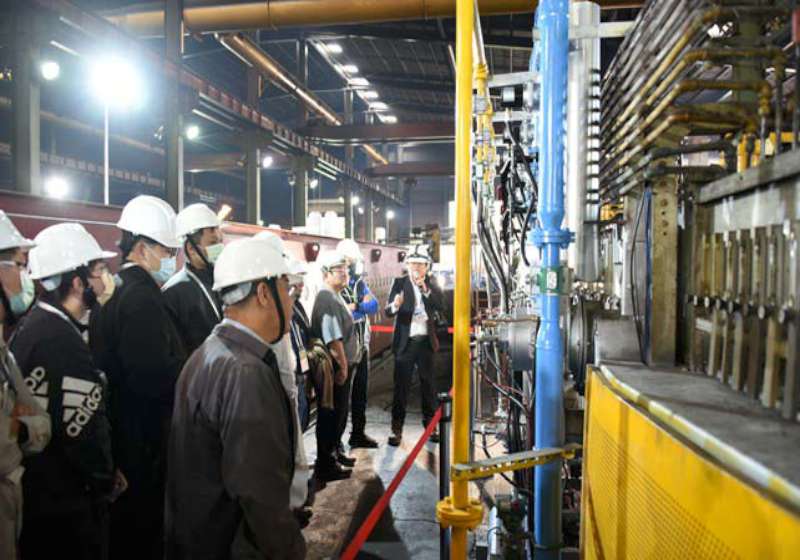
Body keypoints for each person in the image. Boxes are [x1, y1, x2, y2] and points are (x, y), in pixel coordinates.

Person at [165, 237, 306, 559]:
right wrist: (290, 550)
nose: (291, 300)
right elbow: (259, 493)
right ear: (264, 293)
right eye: (287, 288)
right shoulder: (246, 373)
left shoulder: (207, 353)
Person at [11, 223, 119, 559]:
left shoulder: (38, 326)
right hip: (65, 507)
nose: (104, 279)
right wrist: (105, 477)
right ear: (77, 282)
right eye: (98, 270)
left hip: (42, 498)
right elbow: (83, 432)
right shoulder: (60, 341)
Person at [89, 195, 184, 560]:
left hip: (119, 437)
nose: (171, 258)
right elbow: (152, 378)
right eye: (167, 250)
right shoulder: (142, 298)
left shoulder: (115, 290)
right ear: (142, 247)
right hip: (143, 445)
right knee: (143, 534)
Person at [0, 211, 50, 560]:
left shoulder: (5, 353)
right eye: (19, 265)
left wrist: (15, 425)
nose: (26, 276)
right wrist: (18, 428)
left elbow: (39, 421)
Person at [385, 244, 446, 447]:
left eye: (420, 264)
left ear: (427, 267)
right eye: (413, 264)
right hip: (406, 343)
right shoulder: (399, 283)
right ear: (407, 265)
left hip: (426, 342)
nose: (417, 268)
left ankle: (431, 426)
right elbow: (388, 311)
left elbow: (441, 305)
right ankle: (396, 429)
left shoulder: (432, 283)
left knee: (429, 385)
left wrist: (425, 290)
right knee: (401, 387)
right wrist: (395, 305)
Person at [310, 250, 358, 482]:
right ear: (326, 273)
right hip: (336, 369)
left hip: (342, 366)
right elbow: (333, 339)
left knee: (339, 414)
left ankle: (335, 453)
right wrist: (343, 366)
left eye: (346, 269)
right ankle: (326, 464)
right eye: (339, 270)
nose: (345, 273)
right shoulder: (327, 298)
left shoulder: (335, 295)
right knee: (331, 415)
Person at [163, 203, 224, 357]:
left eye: (220, 242)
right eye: (213, 243)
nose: (219, 248)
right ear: (191, 248)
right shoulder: (174, 292)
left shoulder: (222, 282)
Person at [337, 239, 379, 449]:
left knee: (360, 395)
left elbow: (374, 305)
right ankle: (335, 444)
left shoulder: (359, 284)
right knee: (342, 400)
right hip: (346, 350)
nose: (352, 266)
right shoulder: (337, 288)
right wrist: (357, 307)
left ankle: (358, 434)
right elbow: (345, 314)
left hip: (362, 347)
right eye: (350, 261)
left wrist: (358, 306)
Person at [287, 256, 311, 432]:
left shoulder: (297, 306)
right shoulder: (285, 308)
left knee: (303, 414)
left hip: (301, 371)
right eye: (298, 280)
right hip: (292, 373)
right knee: (296, 419)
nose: (302, 285)